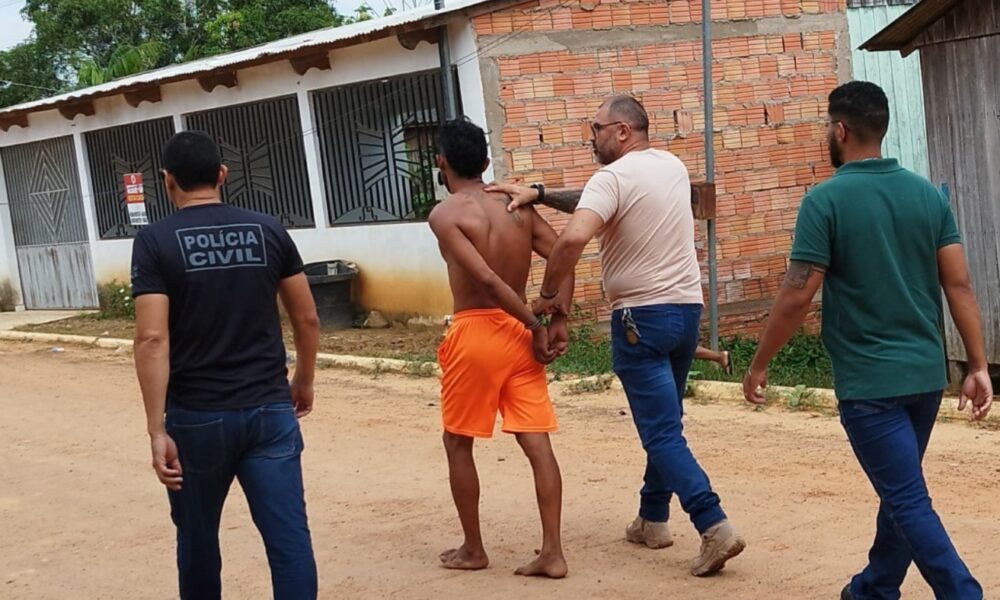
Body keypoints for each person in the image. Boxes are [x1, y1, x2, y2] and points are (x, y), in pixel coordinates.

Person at [741, 81, 993, 600]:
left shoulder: (825, 199)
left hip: (870, 384)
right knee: (900, 493)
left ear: (840, 130)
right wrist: (978, 365)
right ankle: (875, 588)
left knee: (905, 498)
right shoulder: (926, 193)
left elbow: (796, 295)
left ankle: (963, 593)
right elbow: (959, 284)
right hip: (925, 376)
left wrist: (759, 362)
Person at [488, 94, 745, 577]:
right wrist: (540, 193)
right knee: (667, 421)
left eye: (597, 128)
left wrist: (546, 295)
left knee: (661, 430)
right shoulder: (669, 166)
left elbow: (572, 238)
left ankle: (714, 526)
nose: (592, 137)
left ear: (622, 130)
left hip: (639, 322)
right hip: (686, 312)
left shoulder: (614, 177)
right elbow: (593, 202)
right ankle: (653, 518)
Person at [131, 131, 321, 599]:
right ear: (222, 175)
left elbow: (152, 338)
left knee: (197, 541)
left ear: (167, 181)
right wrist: (304, 380)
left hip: (196, 417)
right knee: (288, 541)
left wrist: (157, 429)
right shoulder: (268, 228)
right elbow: (308, 317)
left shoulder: (155, 241)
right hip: (270, 412)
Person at [428, 118, 571, 579]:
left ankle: (474, 548)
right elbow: (566, 252)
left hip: (478, 334)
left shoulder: (447, 214)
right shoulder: (518, 208)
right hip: (518, 337)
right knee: (536, 443)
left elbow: (486, 281)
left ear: (441, 163)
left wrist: (536, 323)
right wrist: (558, 317)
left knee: (458, 442)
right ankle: (552, 552)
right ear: (487, 162)